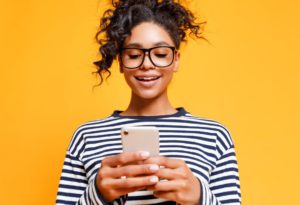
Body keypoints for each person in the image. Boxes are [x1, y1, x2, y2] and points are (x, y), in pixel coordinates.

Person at [55, 0, 241, 204]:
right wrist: (98, 194)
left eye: (160, 54)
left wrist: (199, 197)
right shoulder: (86, 136)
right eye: (134, 55)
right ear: (120, 62)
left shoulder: (214, 136)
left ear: (176, 59)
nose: (147, 64)